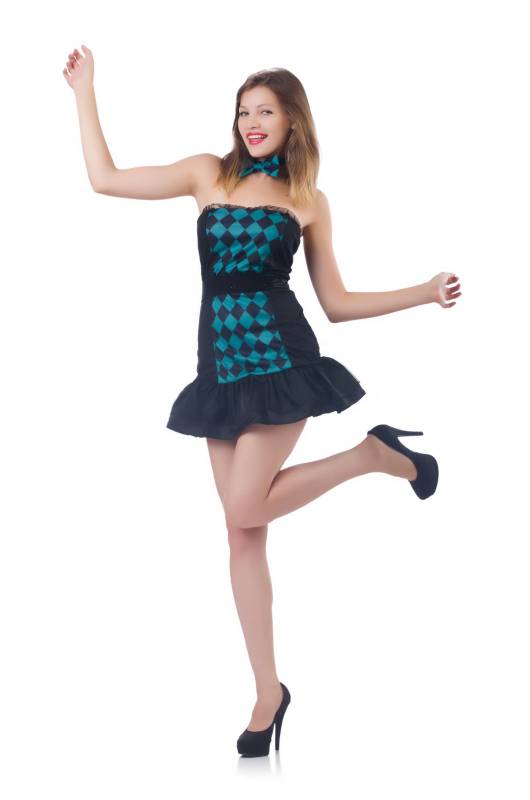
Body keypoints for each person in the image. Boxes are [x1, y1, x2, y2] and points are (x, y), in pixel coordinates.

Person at [64, 46, 462, 758]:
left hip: (281, 360)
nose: (251, 122)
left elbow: (336, 302)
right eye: (243, 111)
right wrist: (83, 91)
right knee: (241, 532)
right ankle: (268, 692)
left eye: (265, 111)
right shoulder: (206, 173)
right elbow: (105, 179)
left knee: (245, 507)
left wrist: (423, 291)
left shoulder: (308, 200)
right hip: (220, 367)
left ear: (291, 121)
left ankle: (372, 455)